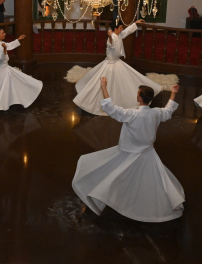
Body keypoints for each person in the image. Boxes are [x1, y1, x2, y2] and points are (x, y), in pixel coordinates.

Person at [72, 78, 184, 222]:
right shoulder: (155, 113)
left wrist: (104, 87)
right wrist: (173, 93)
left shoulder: (132, 114)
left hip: (128, 152)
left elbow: (111, 108)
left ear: (139, 98)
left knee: (116, 174)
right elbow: (168, 111)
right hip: (147, 153)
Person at [74, 20, 162, 115]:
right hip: (110, 65)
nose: (122, 29)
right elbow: (110, 43)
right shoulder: (112, 38)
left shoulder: (119, 35)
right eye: (120, 27)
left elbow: (127, 31)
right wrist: (110, 36)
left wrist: (135, 23)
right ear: (115, 29)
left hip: (117, 63)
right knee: (108, 84)